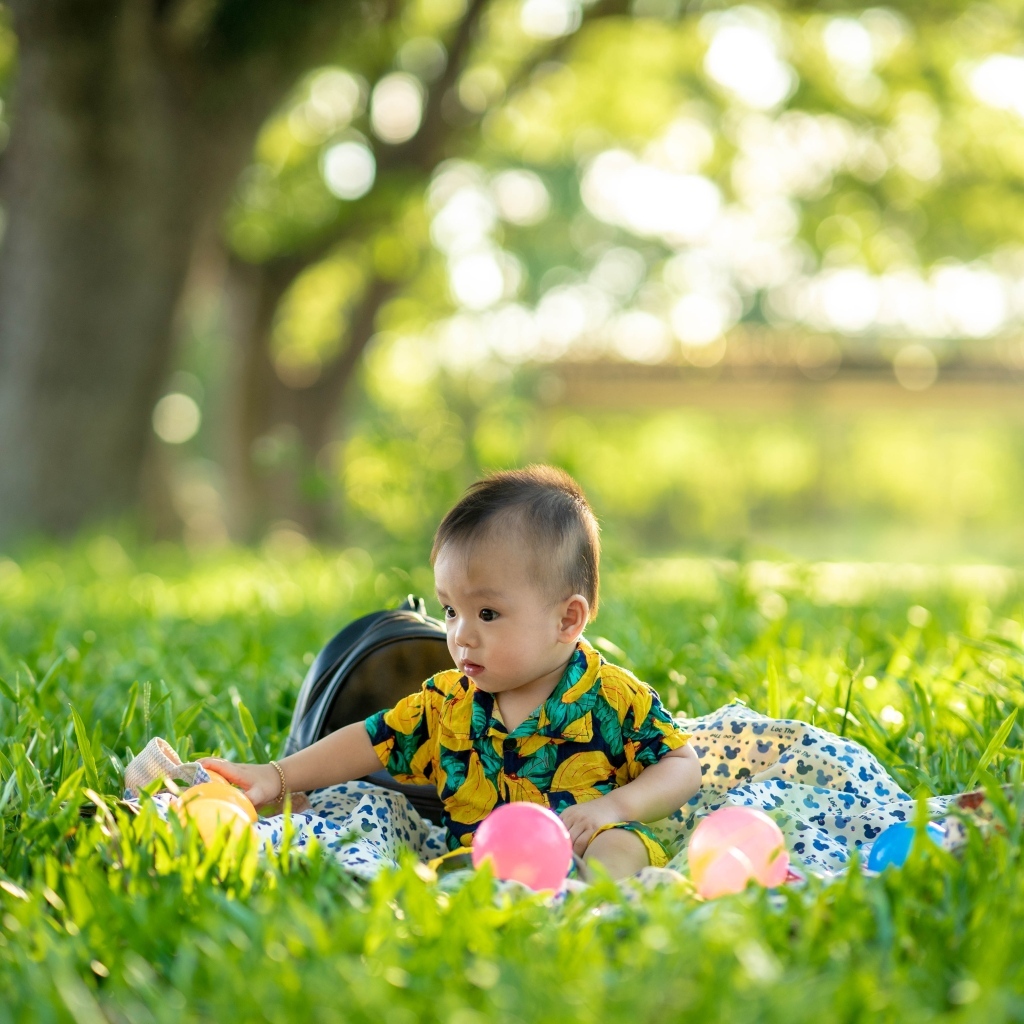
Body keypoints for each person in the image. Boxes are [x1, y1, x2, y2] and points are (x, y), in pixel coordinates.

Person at [203, 466, 702, 879]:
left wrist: (614, 808)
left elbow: (681, 764)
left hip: (584, 841)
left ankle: (596, 901)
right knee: (446, 864)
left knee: (620, 846)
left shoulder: (613, 696)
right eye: (449, 610)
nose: (461, 634)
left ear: (567, 619)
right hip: (481, 856)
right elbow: (370, 741)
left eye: (487, 613)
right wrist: (277, 775)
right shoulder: (448, 703)